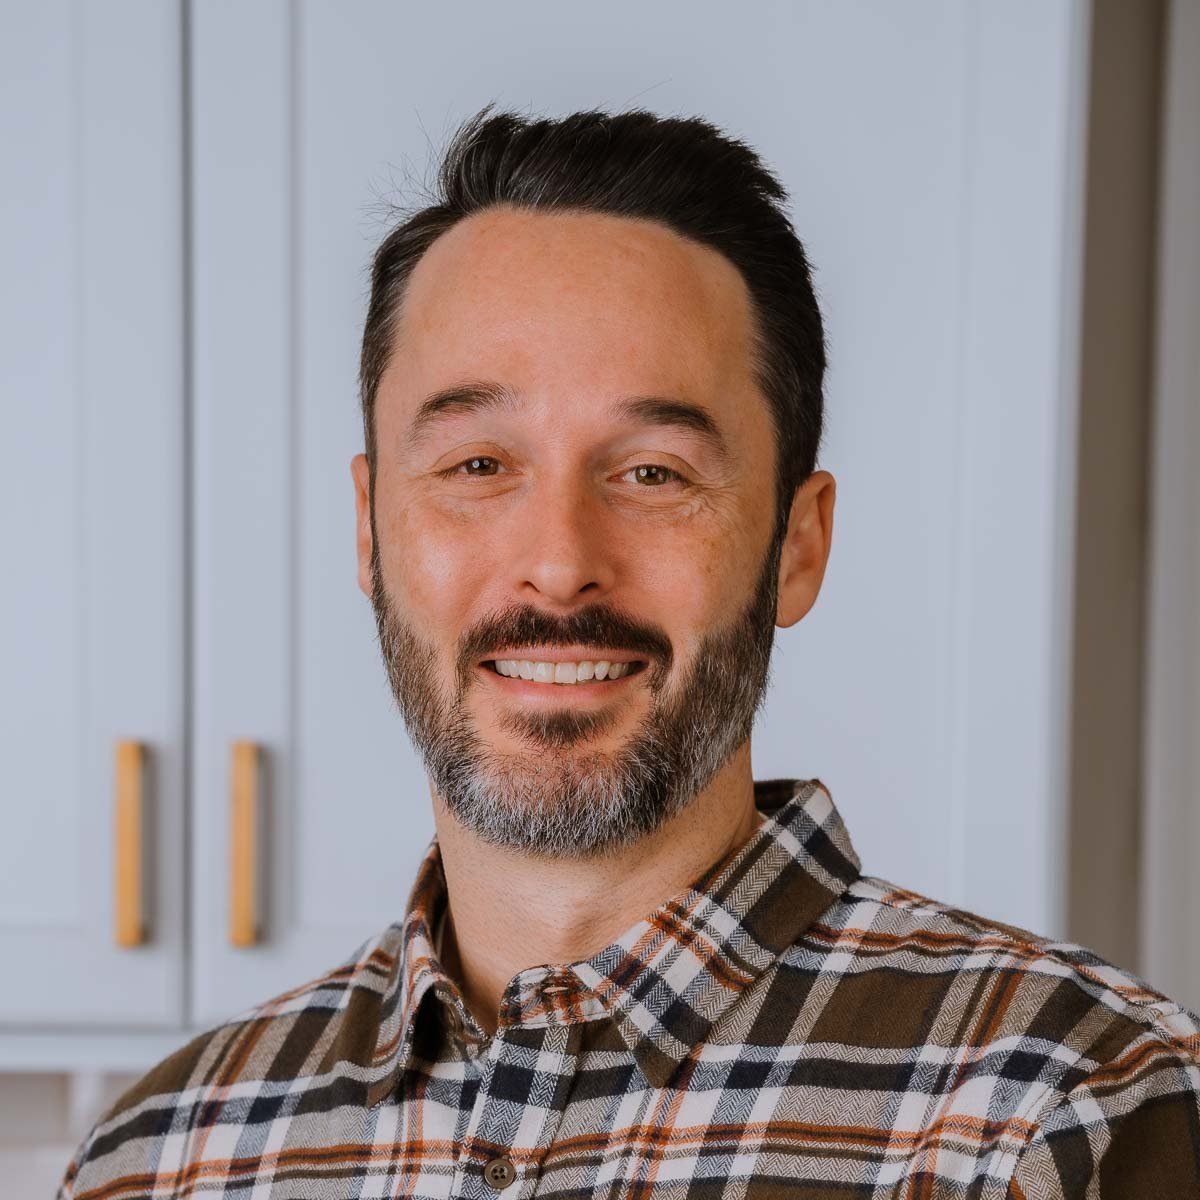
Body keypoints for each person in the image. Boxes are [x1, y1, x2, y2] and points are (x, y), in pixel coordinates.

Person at [60, 105, 1200, 1200]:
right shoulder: (162, 1156)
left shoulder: (1067, 1112)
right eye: (475, 466)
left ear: (797, 547)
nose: (558, 564)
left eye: (653, 473)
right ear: (369, 529)